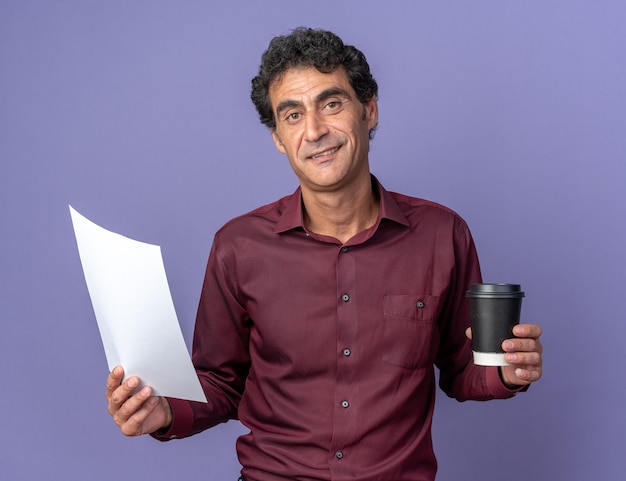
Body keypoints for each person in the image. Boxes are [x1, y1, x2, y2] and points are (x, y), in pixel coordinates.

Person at [106, 27, 543, 481]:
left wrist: (508, 372)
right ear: (278, 136)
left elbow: (462, 368)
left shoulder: (442, 234)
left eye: (331, 104)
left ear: (368, 110)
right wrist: (162, 411)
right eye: (292, 115)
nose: (314, 131)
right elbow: (221, 383)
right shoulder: (238, 247)